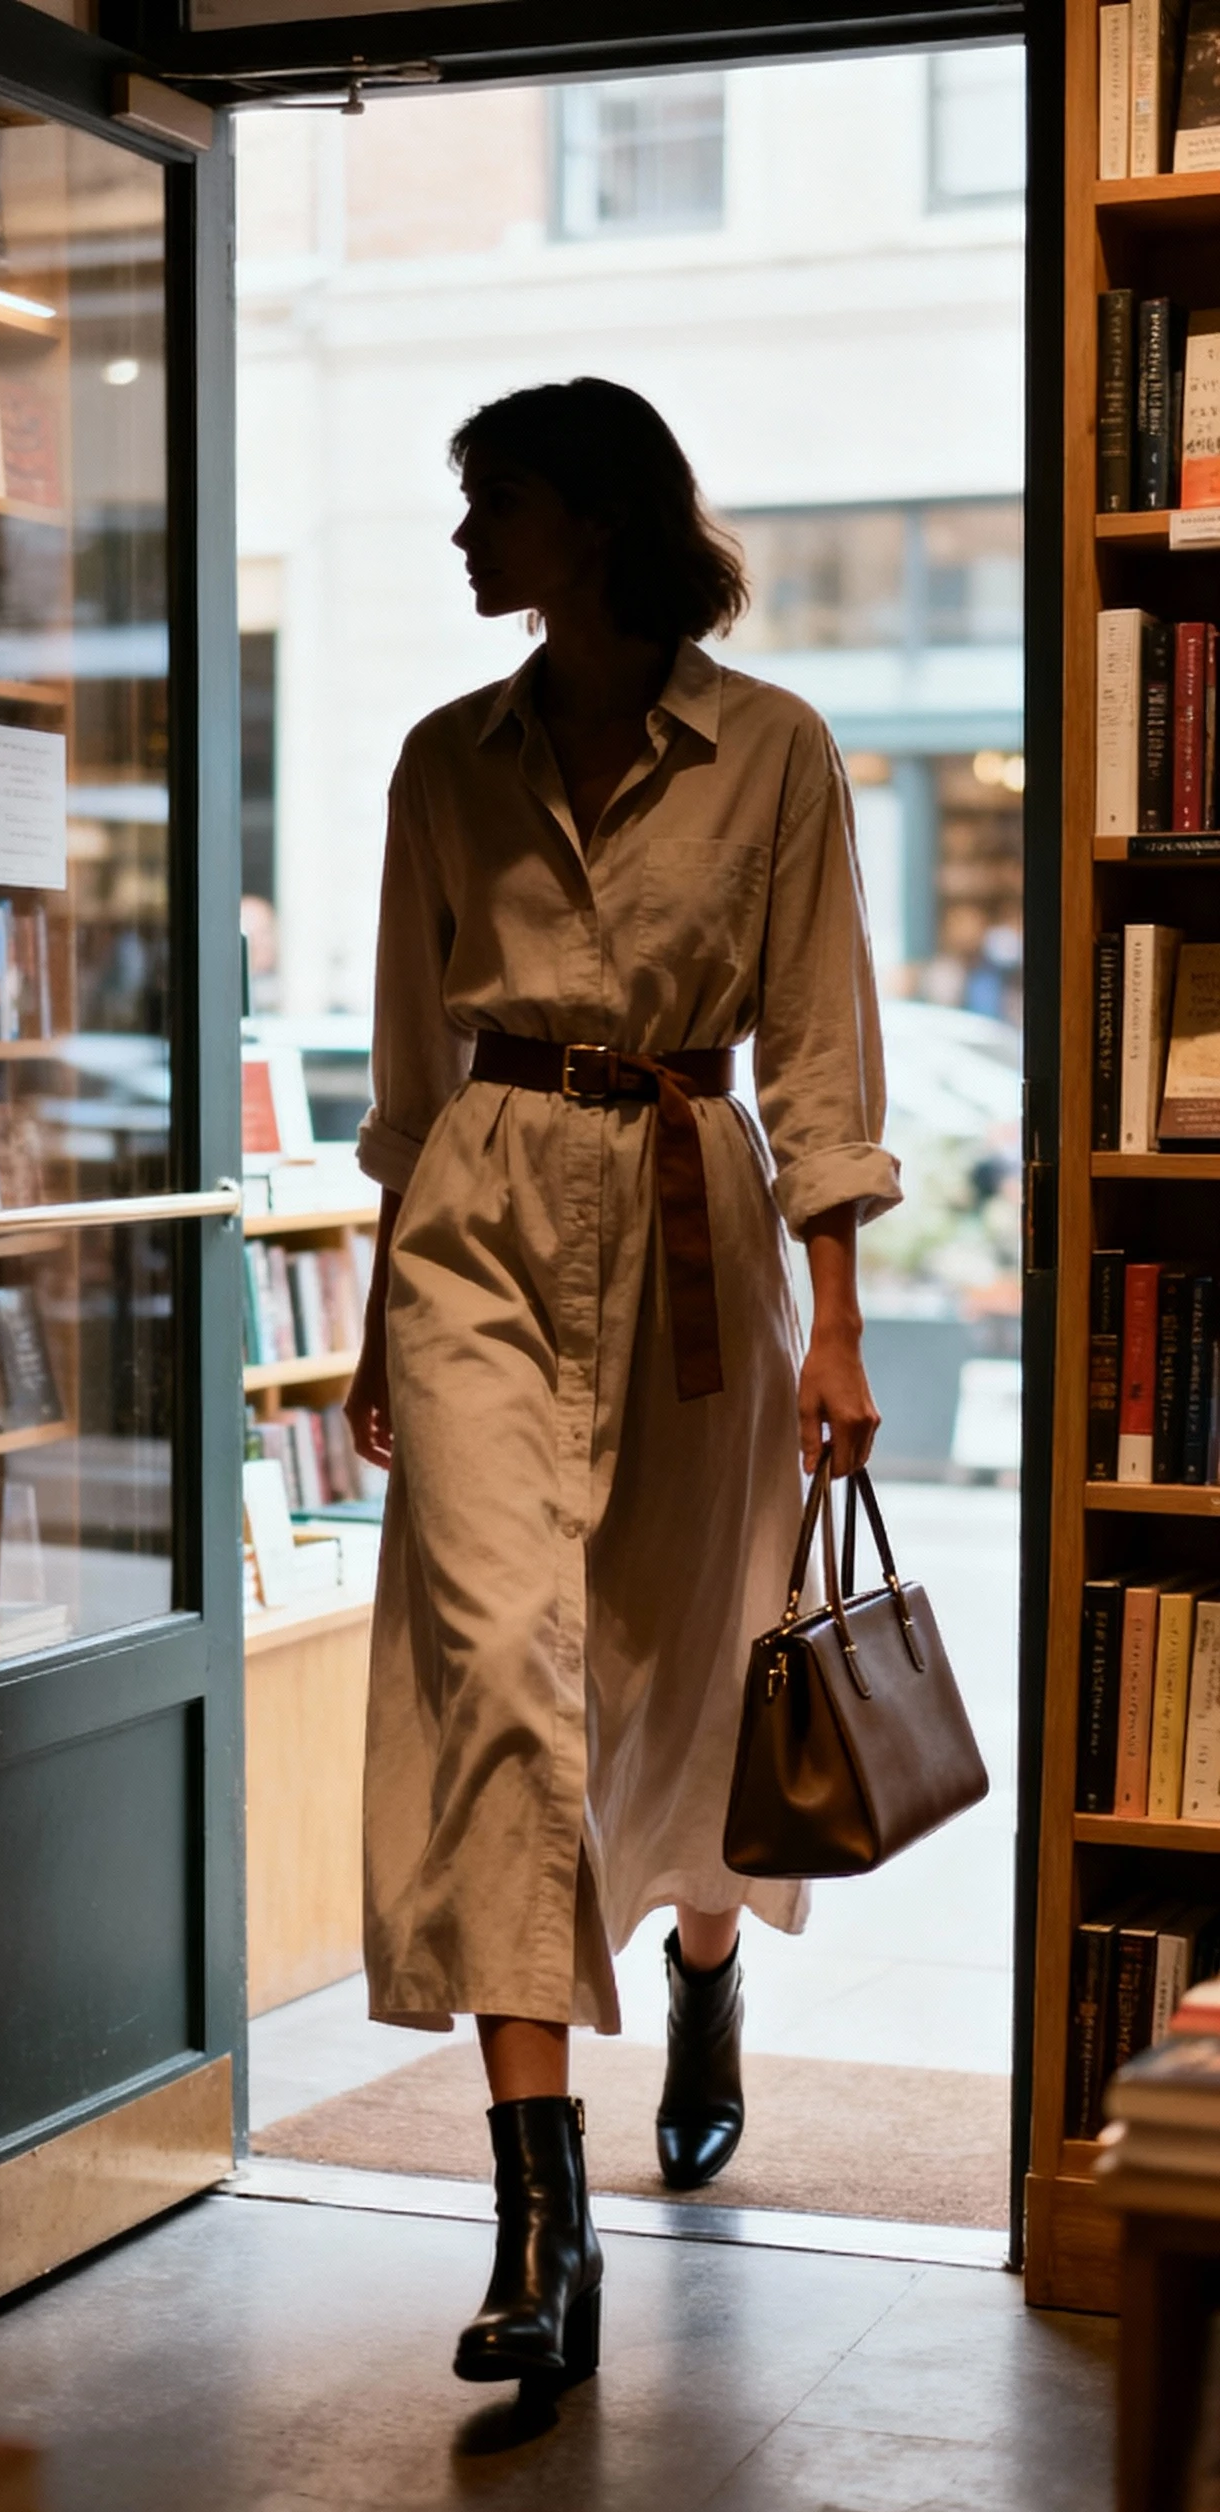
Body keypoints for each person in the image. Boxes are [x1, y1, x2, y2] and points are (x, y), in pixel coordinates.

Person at [345, 377, 900, 2394]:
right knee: (503, 1681)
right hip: (481, 1229)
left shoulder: (774, 753)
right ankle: (535, 2217)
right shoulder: (440, 764)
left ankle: (706, 1960)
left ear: (589, 523)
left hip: (693, 1229)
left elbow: (824, 1046)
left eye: (492, 502)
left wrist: (834, 1319)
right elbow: (409, 1079)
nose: (468, 538)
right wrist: (376, 1320)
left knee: (675, 1664)